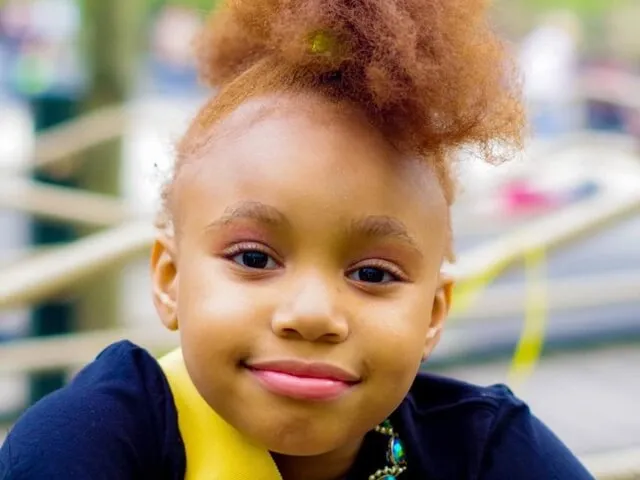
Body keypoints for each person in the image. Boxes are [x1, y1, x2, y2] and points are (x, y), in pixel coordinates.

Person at [0, 0, 594, 478]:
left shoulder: (484, 451)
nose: (311, 315)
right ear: (170, 279)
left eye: (372, 274)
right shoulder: (91, 443)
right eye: (255, 258)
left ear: (434, 314)